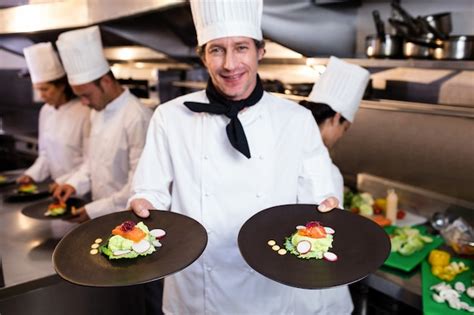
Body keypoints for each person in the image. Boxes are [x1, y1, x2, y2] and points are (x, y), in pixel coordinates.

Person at [129, 0, 349, 314]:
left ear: (261, 51)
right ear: (203, 56)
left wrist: (326, 207)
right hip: (198, 291)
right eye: (217, 49)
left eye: (241, 48)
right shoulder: (170, 117)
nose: (230, 64)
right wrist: (143, 204)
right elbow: (150, 191)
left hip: (271, 288)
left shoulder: (296, 120)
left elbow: (318, 197)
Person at [52, 26, 152, 223]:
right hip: (100, 215)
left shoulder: (137, 117)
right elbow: (92, 162)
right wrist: (73, 184)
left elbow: (139, 184)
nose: (84, 103)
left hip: (128, 217)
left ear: (106, 81)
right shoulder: (97, 112)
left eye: (86, 95)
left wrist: (95, 210)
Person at [17, 42, 90, 187]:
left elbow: (91, 162)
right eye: (37, 90)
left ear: (62, 86)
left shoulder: (85, 112)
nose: (41, 96)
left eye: (45, 89)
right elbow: (45, 155)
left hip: (81, 189)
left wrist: (69, 183)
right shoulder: (45, 111)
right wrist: (31, 174)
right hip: (57, 189)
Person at [300, 56, 370, 204]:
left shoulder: (281, 141)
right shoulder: (328, 174)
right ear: (336, 118)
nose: (340, 136)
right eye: (344, 129)